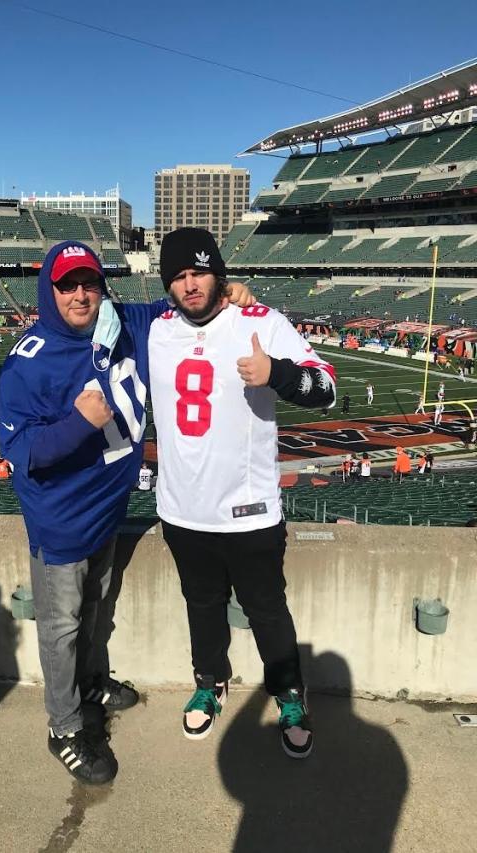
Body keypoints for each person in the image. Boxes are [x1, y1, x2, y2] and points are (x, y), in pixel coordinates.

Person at [0, 239, 256, 784]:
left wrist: (222, 294)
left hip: (106, 510)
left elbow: (175, 306)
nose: (81, 294)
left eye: (90, 282)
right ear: (50, 290)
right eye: (68, 284)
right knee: (61, 627)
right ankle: (64, 726)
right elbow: (20, 453)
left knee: (93, 610)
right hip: (62, 521)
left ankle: (89, 684)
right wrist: (78, 424)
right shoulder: (29, 363)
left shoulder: (120, 322)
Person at [148, 228, 336, 759]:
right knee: (201, 605)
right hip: (184, 511)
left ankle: (289, 692)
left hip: (250, 510)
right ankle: (210, 680)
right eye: (179, 276)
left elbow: (326, 387)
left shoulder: (262, 322)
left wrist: (276, 373)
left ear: (219, 274)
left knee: (268, 609)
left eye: (199, 272)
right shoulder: (155, 327)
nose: (190, 285)